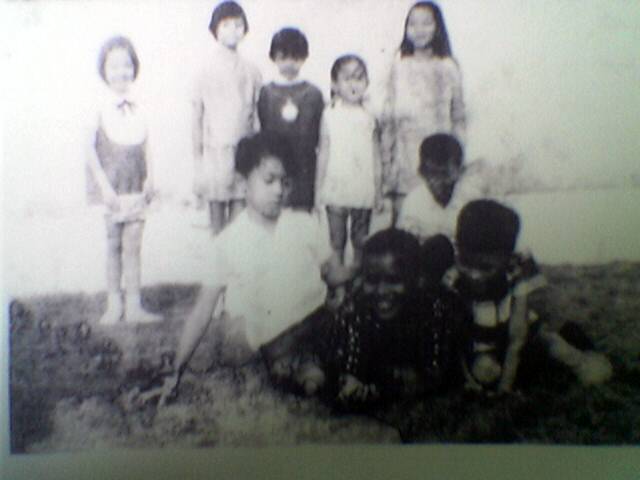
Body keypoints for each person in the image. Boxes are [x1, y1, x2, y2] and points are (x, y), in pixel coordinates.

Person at [152, 133, 345, 404]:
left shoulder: (304, 224)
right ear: (243, 185)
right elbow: (202, 312)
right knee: (306, 375)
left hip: (318, 322)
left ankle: (332, 369)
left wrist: (354, 277)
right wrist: (176, 371)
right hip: (276, 341)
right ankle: (317, 374)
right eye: (269, 180)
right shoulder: (228, 242)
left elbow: (334, 275)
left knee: (348, 327)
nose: (279, 190)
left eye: (285, 182)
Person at [446, 199, 613, 395]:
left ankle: (580, 359)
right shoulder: (452, 276)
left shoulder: (516, 271)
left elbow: (517, 339)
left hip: (519, 329)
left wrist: (505, 388)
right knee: (485, 373)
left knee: (548, 339)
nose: (474, 275)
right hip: (481, 340)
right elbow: (457, 338)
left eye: (486, 268)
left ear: (507, 258)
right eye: (466, 263)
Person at [317, 229, 463, 412]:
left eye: (393, 280)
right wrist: (351, 380)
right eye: (372, 280)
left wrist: (382, 388)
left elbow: (434, 373)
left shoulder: (433, 311)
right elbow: (349, 360)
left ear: (417, 279)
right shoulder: (357, 307)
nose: (381, 291)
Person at [86, 35, 161, 325]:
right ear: (104, 70)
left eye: (127, 65)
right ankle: (113, 305)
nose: (121, 72)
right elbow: (89, 150)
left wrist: (151, 177)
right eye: (114, 66)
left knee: (133, 246)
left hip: (135, 186)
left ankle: (134, 306)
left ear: (135, 68)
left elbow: (146, 145)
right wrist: (104, 186)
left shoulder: (140, 108)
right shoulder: (98, 107)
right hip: (112, 190)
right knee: (113, 245)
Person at [381, 1, 466, 225]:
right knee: (403, 223)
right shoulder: (398, 67)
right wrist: (387, 163)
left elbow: (458, 116)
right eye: (413, 24)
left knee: (436, 221)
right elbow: (389, 118)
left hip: (438, 156)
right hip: (405, 156)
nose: (419, 30)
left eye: (426, 23)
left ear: (438, 27)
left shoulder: (448, 67)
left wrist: (457, 158)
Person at [192, 1, 262, 234]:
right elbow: (197, 118)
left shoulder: (252, 71)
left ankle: (235, 256)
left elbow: (257, 115)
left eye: (238, 25)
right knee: (217, 221)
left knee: (239, 221)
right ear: (215, 29)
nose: (233, 30)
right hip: (216, 152)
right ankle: (217, 255)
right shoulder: (204, 70)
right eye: (226, 25)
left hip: (244, 152)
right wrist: (198, 162)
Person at [315, 54, 383, 266]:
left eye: (359, 78)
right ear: (334, 84)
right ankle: (338, 278)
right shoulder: (329, 114)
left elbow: (376, 156)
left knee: (361, 240)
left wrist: (378, 191)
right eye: (347, 78)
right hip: (336, 186)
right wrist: (318, 190)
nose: (354, 84)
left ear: (367, 83)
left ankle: (358, 279)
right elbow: (323, 152)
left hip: (362, 186)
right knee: (337, 241)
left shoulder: (370, 116)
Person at [257, 27, 324, 211]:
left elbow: (318, 135)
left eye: (295, 58)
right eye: (283, 58)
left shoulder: (313, 94)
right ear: (273, 58)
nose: (289, 64)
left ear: (304, 58)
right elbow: (263, 129)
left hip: (304, 167)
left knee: (301, 215)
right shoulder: (267, 93)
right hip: (276, 165)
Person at [397, 133, 481, 242]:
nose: (435, 182)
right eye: (429, 174)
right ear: (422, 172)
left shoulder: (471, 202)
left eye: (443, 174)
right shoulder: (413, 203)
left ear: (460, 171)